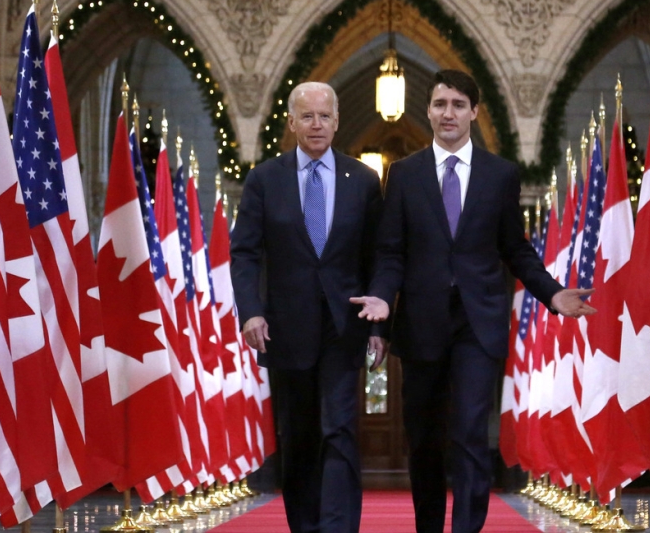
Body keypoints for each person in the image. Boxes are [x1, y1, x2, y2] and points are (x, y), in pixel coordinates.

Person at [351, 69, 595, 533]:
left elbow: (514, 248)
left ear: (474, 113)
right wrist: (382, 303)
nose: (448, 113)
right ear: (429, 110)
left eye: (458, 105)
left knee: (467, 435)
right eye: (441, 104)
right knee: (423, 441)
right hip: (421, 324)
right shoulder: (403, 175)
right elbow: (390, 252)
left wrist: (551, 292)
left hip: (477, 326)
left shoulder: (499, 174)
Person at [231, 82, 386, 533]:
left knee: (339, 428)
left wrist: (380, 324)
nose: (316, 124)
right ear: (292, 122)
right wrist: (251, 311)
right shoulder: (264, 179)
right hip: (284, 328)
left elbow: (377, 256)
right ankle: (305, 526)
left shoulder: (363, 181)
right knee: (298, 437)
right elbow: (244, 253)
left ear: (337, 122)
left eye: (324, 116)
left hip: (344, 326)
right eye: (307, 116)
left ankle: (338, 528)